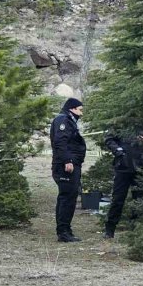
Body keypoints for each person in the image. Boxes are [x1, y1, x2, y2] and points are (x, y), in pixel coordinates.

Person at [50, 97, 86, 242]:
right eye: (80, 110)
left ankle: (65, 229)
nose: (81, 113)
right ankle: (63, 232)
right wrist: (68, 160)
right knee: (66, 197)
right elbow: (60, 141)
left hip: (71, 164)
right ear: (72, 108)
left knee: (69, 197)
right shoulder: (63, 120)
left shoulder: (69, 120)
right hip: (65, 166)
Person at [102, 130, 143, 239]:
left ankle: (136, 228)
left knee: (139, 198)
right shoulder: (120, 125)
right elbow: (109, 139)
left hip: (141, 166)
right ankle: (110, 229)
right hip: (123, 166)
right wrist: (118, 151)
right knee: (118, 198)